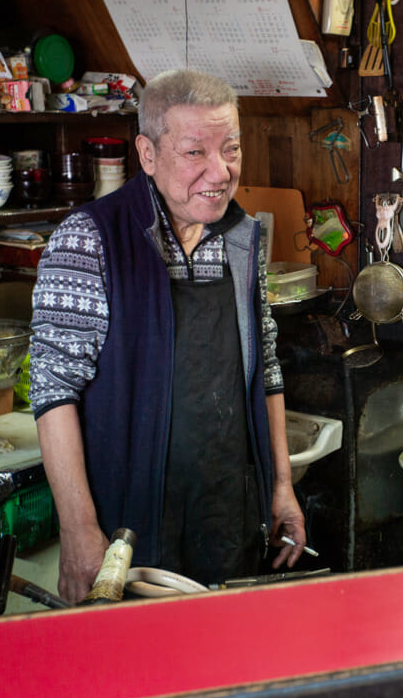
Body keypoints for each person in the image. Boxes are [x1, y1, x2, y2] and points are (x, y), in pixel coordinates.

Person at [29, 69, 306, 602]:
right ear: (148, 154)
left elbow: (266, 368)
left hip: (226, 507)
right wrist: (78, 529)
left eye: (231, 149)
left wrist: (281, 487)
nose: (219, 172)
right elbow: (53, 391)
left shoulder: (243, 240)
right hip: (127, 528)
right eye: (194, 152)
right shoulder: (88, 239)